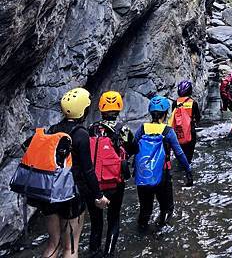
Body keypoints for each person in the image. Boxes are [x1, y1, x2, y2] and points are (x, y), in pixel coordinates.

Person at [21, 88, 109, 258]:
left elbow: (28, 147)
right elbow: (87, 169)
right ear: (84, 109)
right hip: (71, 195)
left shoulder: (53, 129)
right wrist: (98, 196)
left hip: (49, 193)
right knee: (70, 247)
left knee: (53, 243)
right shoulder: (81, 134)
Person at [134, 95, 193, 231]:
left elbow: (133, 148)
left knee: (145, 210)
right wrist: (188, 171)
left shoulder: (142, 129)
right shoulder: (168, 131)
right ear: (166, 113)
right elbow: (179, 154)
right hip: (163, 176)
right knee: (166, 208)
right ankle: (161, 234)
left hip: (144, 174)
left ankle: (142, 234)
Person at [87, 91, 135, 258]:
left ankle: (94, 252)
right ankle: (108, 253)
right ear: (119, 108)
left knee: (96, 220)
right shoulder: (123, 129)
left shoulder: (91, 128)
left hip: (93, 182)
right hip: (115, 182)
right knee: (113, 218)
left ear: (101, 108)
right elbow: (133, 149)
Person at [171, 80, 201, 163]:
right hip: (190, 130)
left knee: (180, 152)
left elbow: (173, 117)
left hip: (178, 131)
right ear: (190, 91)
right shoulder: (193, 103)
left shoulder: (175, 103)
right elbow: (198, 117)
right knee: (189, 154)